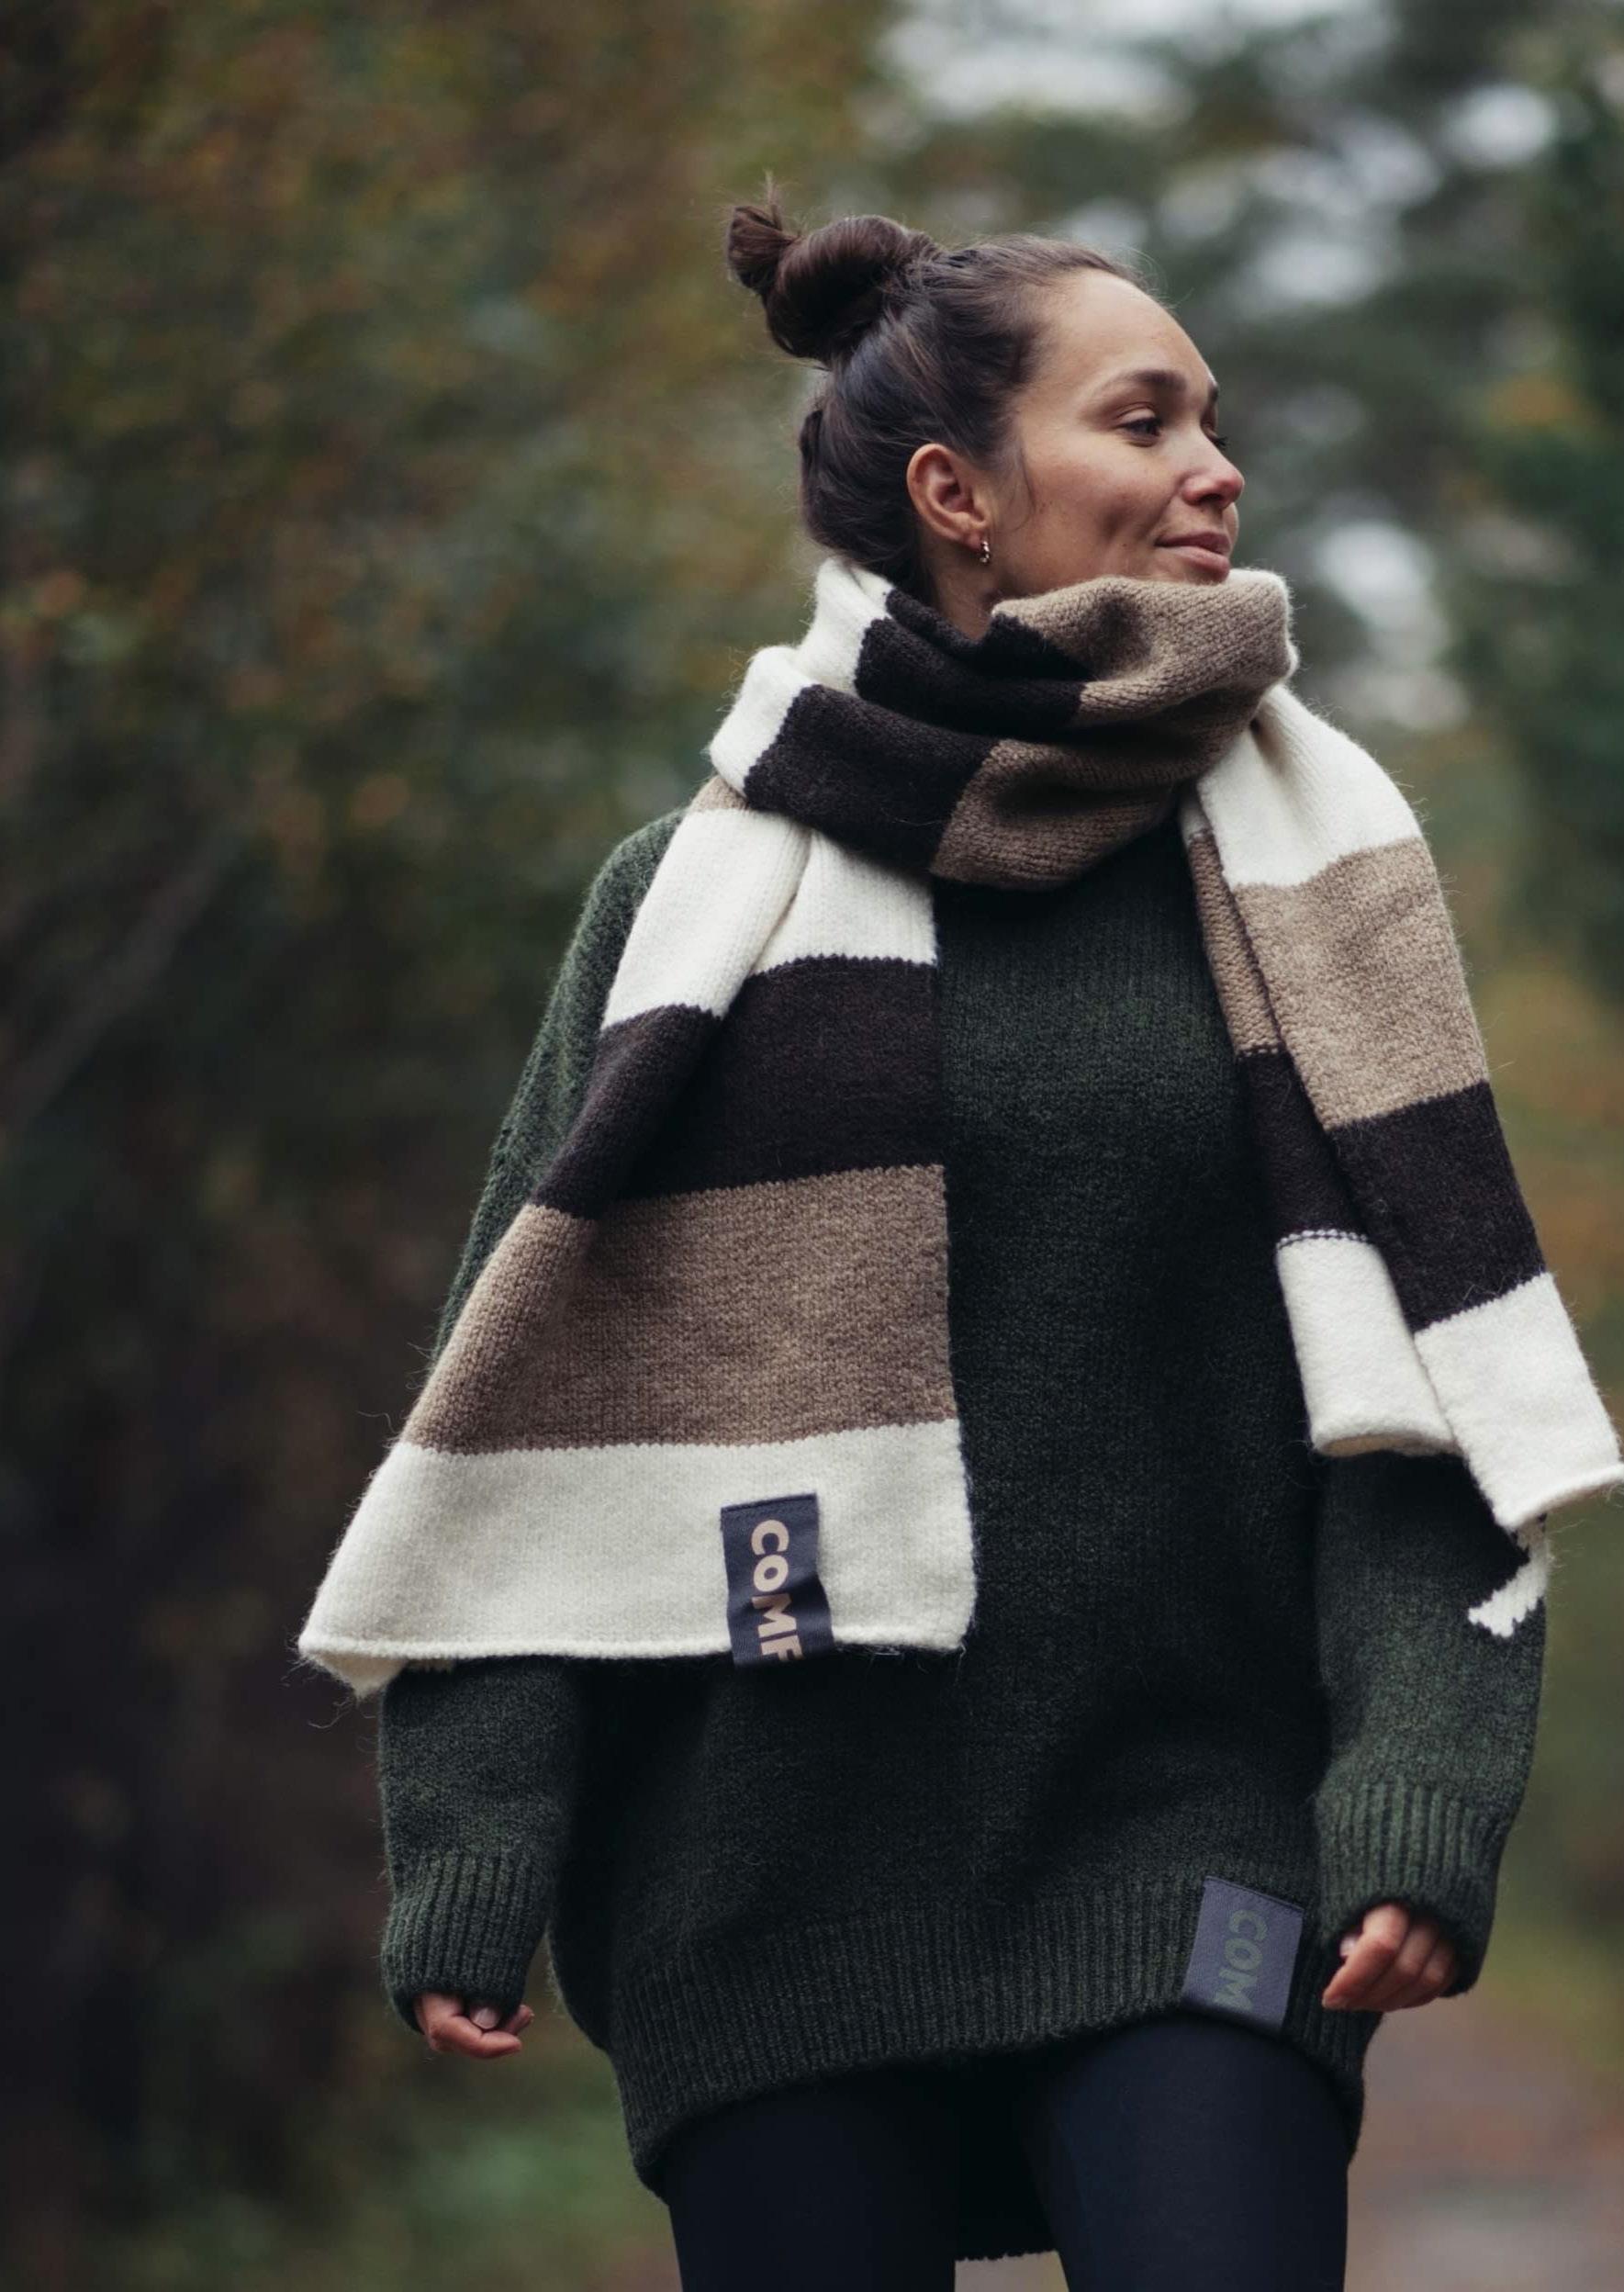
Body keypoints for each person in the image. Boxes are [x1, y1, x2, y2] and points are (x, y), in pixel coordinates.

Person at [354, 189, 1566, 2286]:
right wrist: (476, 1832)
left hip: (1193, 1837)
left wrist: (1421, 1787)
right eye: (1146, 418)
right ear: (958, 495)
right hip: (763, 1882)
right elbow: (524, 1390)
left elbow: (1431, 1389)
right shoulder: (695, 898)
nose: (1218, 469)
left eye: (1214, 420)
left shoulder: (1307, 880)